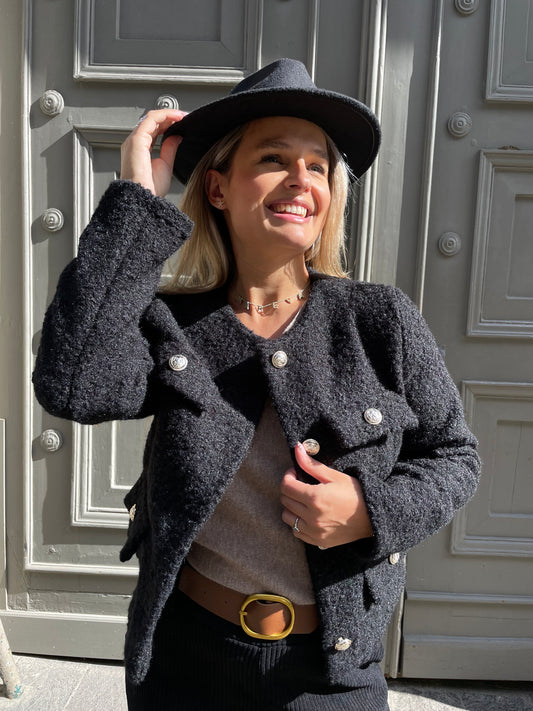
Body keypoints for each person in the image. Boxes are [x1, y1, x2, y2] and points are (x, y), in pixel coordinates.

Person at [33, 59, 480, 710]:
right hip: (185, 664)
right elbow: (72, 382)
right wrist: (135, 203)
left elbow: (454, 456)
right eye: (273, 158)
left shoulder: (379, 320)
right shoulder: (174, 324)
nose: (301, 177)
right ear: (217, 188)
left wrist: (370, 512)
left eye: (318, 166)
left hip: (330, 673)